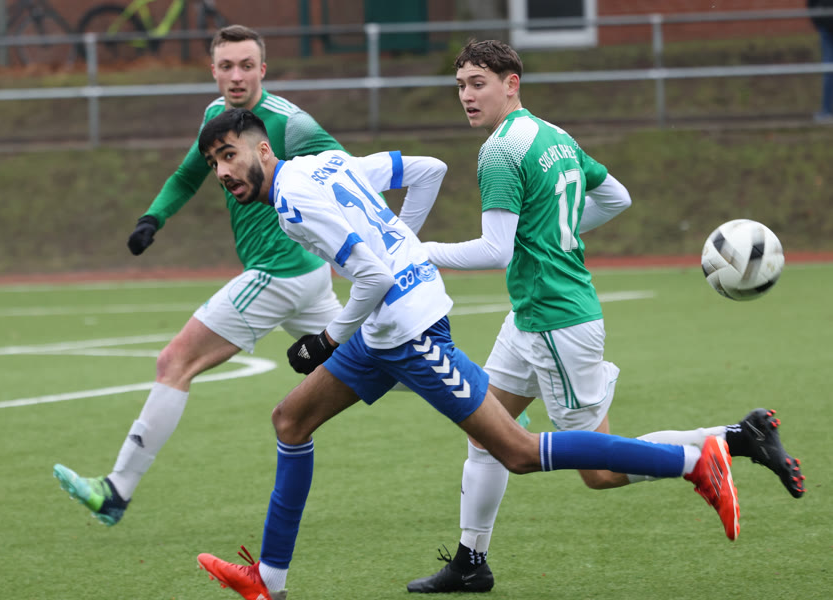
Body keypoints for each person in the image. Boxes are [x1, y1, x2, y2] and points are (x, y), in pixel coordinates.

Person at [191, 107, 740, 600]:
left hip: (411, 332)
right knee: (290, 421)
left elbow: (373, 276)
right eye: (214, 163)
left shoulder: (293, 204)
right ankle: (269, 581)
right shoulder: (324, 163)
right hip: (382, 329)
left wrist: (327, 339)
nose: (222, 172)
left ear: (264, 149)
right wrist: (402, 245)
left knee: (517, 451)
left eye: (230, 155)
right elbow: (427, 169)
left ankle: (694, 462)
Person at [405, 39, 806, 594]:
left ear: (511, 84)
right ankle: (471, 562)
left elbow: (495, 250)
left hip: (556, 322)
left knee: (601, 471)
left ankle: (735, 438)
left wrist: (418, 251)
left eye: (478, 83)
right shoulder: (554, 136)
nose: (467, 96)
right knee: (485, 431)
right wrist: (553, 233)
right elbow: (617, 197)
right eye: (460, 86)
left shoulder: (499, 152)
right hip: (533, 317)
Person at [52, 25, 350, 526]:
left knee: (175, 362)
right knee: (368, 360)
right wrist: (153, 218)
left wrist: (344, 233)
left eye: (247, 66)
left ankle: (116, 490)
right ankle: (478, 400)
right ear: (213, 70)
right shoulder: (217, 116)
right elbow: (188, 175)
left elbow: (348, 171)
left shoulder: (290, 123)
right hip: (307, 276)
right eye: (227, 66)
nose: (237, 76)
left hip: (279, 272)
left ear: (263, 69)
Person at [809, 0, 833, 121]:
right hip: (826, 28)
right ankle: (827, 110)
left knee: (828, 70)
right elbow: (811, 4)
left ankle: (827, 110)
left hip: (825, 25)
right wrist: (819, 23)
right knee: (828, 71)